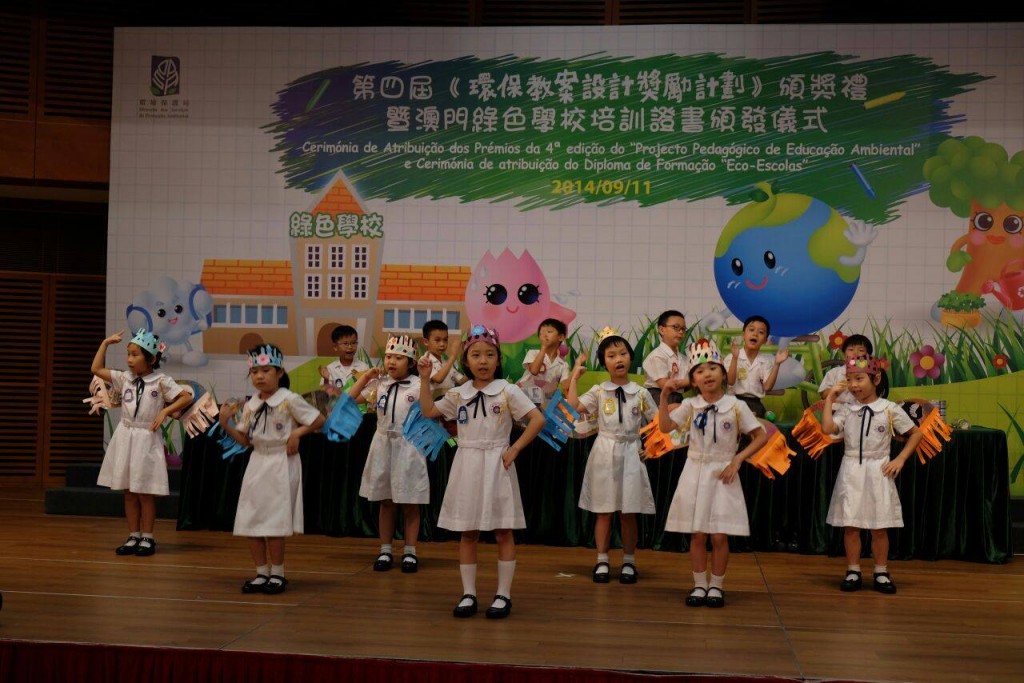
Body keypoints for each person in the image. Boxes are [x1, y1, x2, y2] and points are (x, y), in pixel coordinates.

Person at [417, 325, 544, 619]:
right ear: (466, 360)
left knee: (503, 531)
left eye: (489, 354)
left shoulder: (508, 390)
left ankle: (503, 594)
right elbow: (428, 411)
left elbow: (537, 419)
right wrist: (424, 379)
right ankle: (468, 593)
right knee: (468, 532)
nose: (483, 361)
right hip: (467, 464)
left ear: (498, 360)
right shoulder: (458, 394)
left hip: (498, 464)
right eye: (476, 355)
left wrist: (515, 448)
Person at [659, 338, 767, 608]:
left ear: (723, 373)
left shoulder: (736, 405)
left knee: (719, 534)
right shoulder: (690, 405)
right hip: (695, 472)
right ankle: (699, 585)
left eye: (712, 368)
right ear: (693, 380)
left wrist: (738, 459)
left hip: (723, 474)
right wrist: (663, 397)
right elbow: (664, 427)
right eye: (699, 371)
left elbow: (760, 435)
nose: (707, 374)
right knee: (698, 533)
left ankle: (716, 586)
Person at [219, 344, 325, 594]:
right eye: (255, 371)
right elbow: (245, 441)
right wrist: (226, 424)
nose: (260, 376)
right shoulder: (251, 405)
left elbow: (318, 419)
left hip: (281, 462)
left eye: (266, 371)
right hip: (257, 462)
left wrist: (296, 433)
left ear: (279, 372)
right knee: (252, 518)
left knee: (275, 520)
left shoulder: (289, 399)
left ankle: (277, 573)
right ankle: (261, 572)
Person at [822, 357, 922, 594]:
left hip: (879, 469)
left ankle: (881, 571)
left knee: (879, 526)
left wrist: (900, 459)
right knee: (851, 525)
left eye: (859, 379)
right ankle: (853, 570)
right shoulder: (847, 409)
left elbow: (916, 434)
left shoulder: (888, 408)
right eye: (849, 380)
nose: (853, 385)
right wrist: (829, 400)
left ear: (876, 379)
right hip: (851, 470)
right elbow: (827, 429)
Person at [566, 328, 656, 585]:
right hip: (604, 452)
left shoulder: (640, 393)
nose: (618, 359)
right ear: (604, 362)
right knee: (603, 511)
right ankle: (602, 560)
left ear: (631, 357)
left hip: (631, 452)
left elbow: (658, 424)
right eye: (611, 355)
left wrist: (650, 448)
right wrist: (574, 379)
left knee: (628, 512)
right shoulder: (598, 391)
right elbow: (573, 408)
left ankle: (629, 561)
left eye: (623, 353)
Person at [92, 329, 192, 556]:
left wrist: (165, 410)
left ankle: (148, 537)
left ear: (151, 359)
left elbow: (186, 396)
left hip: (146, 438)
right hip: (126, 436)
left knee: (144, 491)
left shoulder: (161, 381)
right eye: (128, 354)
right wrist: (105, 343)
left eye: (135, 354)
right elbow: (96, 369)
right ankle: (133, 535)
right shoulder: (124, 378)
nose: (129, 359)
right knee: (129, 491)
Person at [348, 335, 428, 573]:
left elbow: (428, 410)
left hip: (409, 446)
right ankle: (385, 550)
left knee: (410, 502)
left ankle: (410, 551)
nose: (392, 361)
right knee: (386, 500)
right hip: (383, 444)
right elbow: (350, 399)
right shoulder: (380, 384)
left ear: (411, 362)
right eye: (389, 356)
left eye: (399, 358)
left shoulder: (418, 385)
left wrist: (426, 380)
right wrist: (366, 378)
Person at [727, 315, 788, 418]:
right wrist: (734, 358)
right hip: (734, 402)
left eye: (761, 332)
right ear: (743, 335)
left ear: (765, 340)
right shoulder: (732, 357)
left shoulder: (765, 362)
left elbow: (767, 387)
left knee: (759, 425)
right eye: (751, 330)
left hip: (755, 404)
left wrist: (777, 364)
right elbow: (730, 381)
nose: (755, 334)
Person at [516, 318, 570, 408]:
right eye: (541, 333)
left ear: (561, 337)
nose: (544, 335)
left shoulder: (563, 364)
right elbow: (534, 370)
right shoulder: (533, 353)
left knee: (559, 403)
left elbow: (565, 385)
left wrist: (576, 369)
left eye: (549, 332)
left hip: (545, 400)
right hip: (525, 396)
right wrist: (544, 348)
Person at [642, 310, 689, 405]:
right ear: (661, 330)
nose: (681, 332)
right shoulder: (657, 356)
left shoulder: (685, 359)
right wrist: (693, 379)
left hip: (677, 398)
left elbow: (686, 387)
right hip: (658, 398)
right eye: (676, 327)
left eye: (683, 329)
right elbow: (666, 385)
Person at [818, 334, 873, 405]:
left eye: (861, 350)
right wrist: (836, 390)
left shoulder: (871, 374)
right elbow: (823, 395)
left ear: (868, 356)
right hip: (836, 409)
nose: (855, 353)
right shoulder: (834, 372)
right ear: (844, 353)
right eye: (851, 350)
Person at [420, 319, 466, 398]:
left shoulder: (446, 363)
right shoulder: (424, 360)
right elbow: (438, 379)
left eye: (445, 340)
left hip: (449, 403)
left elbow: (462, 381)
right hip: (433, 403)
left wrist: (472, 363)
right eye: (437, 340)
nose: (442, 344)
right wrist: (453, 356)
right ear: (426, 342)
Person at [320, 324, 369, 395]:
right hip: (337, 402)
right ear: (335, 347)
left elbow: (367, 392)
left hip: (356, 402)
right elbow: (324, 394)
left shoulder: (363, 368)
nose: (350, 347)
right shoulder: (330, 369)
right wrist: (326, 379)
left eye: (353, 343)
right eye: (345, 343)